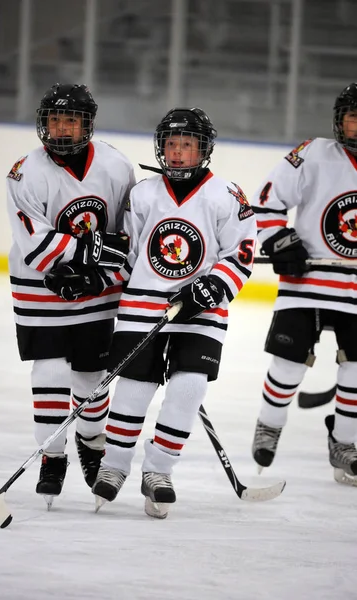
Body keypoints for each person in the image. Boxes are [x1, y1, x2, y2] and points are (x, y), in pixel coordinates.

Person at [91, 107, 257, 518]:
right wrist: (95, 277)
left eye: (187, 145)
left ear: (203, 149)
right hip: (142, 306)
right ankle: (113, 467)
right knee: (133, 388)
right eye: (171, 144)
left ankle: (159, 471)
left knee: (188, 388)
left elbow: (241, 252)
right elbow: (128, 255)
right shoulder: (144, 194)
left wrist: (214, 285)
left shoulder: (227, 194)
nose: (178, 153)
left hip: (201, 309)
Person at [6, 83, 136, 504]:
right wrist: (96, 251)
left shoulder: (116, 166)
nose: (62, 128)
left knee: (91, 378)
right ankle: (52, 455)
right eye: (55, 119)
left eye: (71, 119)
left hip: (97, 291)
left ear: (88, 124)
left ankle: (92, 442)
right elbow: (38, 244)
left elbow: (128, 232)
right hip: (38, 287)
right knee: (48, 374)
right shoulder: (25, 172)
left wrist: (98, 273)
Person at [251, 83, 357, 486]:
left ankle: (345, 443)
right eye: (353, 117)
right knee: (288, 365)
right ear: (339, 120)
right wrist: (279, 239)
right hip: (307, 282)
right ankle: (269, 425)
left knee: (356, 372)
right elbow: (265, 201)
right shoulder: (313, 153)